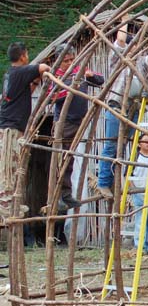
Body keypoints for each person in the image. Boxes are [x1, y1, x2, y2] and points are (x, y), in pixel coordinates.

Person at [98, 22, 148, 198]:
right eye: (132, 48)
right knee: (111, 145)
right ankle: (103, 183)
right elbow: (120, 39)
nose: (135, 52)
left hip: (133, 108)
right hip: (117, 106)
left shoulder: (140, 62)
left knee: (124, 145)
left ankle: (119, 180)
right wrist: (124, 19)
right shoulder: (118, 59)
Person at [52, 44, 104, 210]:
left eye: (71, 59)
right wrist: (69, 89)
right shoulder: (56, 76)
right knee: (60, 161)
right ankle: (56, 196)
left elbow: (100, 80)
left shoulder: (79, 71)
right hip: (64, 122)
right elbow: (52, 97)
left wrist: (89, 74)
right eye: (65, 61)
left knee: (70, 159)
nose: (69, 63)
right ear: (58, 61)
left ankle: (66, 195)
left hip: (79, 121)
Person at [0, 42, 50, 217]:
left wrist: (35, 80)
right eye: (27, 53)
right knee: (8, 169)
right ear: (22, 56)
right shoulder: (21, 71)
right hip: (10, 128)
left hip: (12, 126)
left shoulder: (11, 74)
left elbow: (28, 89)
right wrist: (46, 70)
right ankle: (6, 208)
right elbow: (43, 67)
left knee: (14, 168)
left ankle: (12, 204)